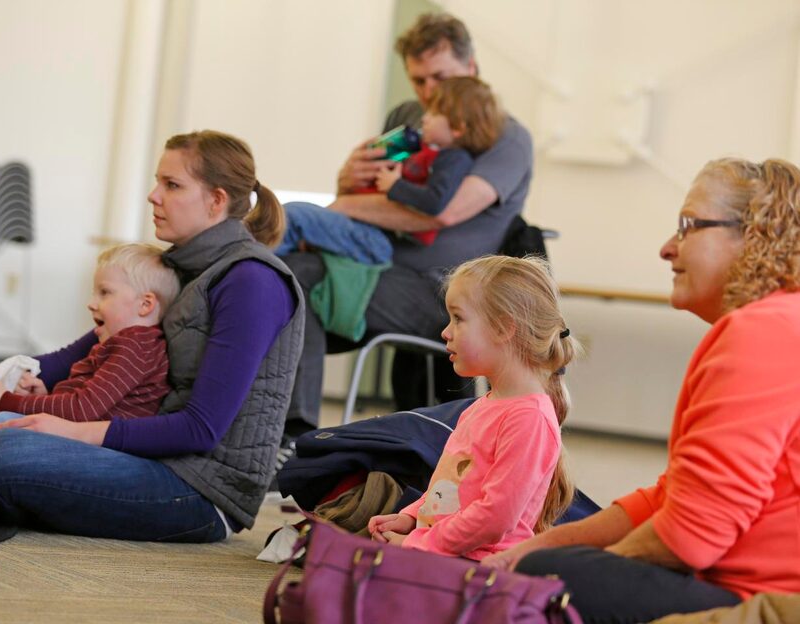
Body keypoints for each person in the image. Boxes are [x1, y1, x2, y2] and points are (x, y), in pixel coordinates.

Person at [483, 158, 800, 622]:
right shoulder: (780, 321)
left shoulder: (761, 330)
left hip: (763, 599)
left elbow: (691, 537)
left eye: (688, 226)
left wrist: (562, 565)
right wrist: (538, 543)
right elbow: (671, 498)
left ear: (755, 235)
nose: (667, 248)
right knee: (546, 554)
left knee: (548, 578)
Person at [0, 130, 304, 542]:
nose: (153, 196)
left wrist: (67, 429)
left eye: (172, 185)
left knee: (4, 452)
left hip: (199, 489)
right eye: (158, 181)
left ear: (216, 201)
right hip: (146, 454)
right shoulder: (177, 269)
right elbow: (68, 359)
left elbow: (200, 429)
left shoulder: (252, 280)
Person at [282, 12, 533, 439]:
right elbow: (375, 197)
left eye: (441, 77)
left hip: (441, 288)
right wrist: (348, 183)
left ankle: (291, 437)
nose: (429, 93)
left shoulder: (506, 135)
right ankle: (272, 433)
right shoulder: (408, 117)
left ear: (471, 68)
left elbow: (443, 212)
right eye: (419, 81)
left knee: (295, 280)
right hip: (377, 265)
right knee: (280, 278)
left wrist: (345, 205)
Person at [367, 255, 577, 559]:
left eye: (458, 318)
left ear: (504, 328)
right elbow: (453, 487)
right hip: (446, 553)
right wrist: (412, 517)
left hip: (476, 568)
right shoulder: (484, 406)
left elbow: (495, 519)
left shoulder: (529, 419)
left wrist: (418, 545)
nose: (446, 332)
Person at [277, 76, 505, 264]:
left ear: (458, 128)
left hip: (376, 238)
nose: (424, 118)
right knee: (296, 222)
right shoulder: (429, 152)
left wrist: (394, 185)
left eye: (434, 114)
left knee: (296, 216)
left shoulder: (455, 160)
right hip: (366, 228)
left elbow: (435, 202)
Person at [0, 243, 179, 443]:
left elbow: (82, 409)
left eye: (104, 292)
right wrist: (47, 396)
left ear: (145, 304)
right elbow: (94, 403)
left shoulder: (134, 347)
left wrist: (6, 401)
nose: (91, 303)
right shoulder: (132, 344)